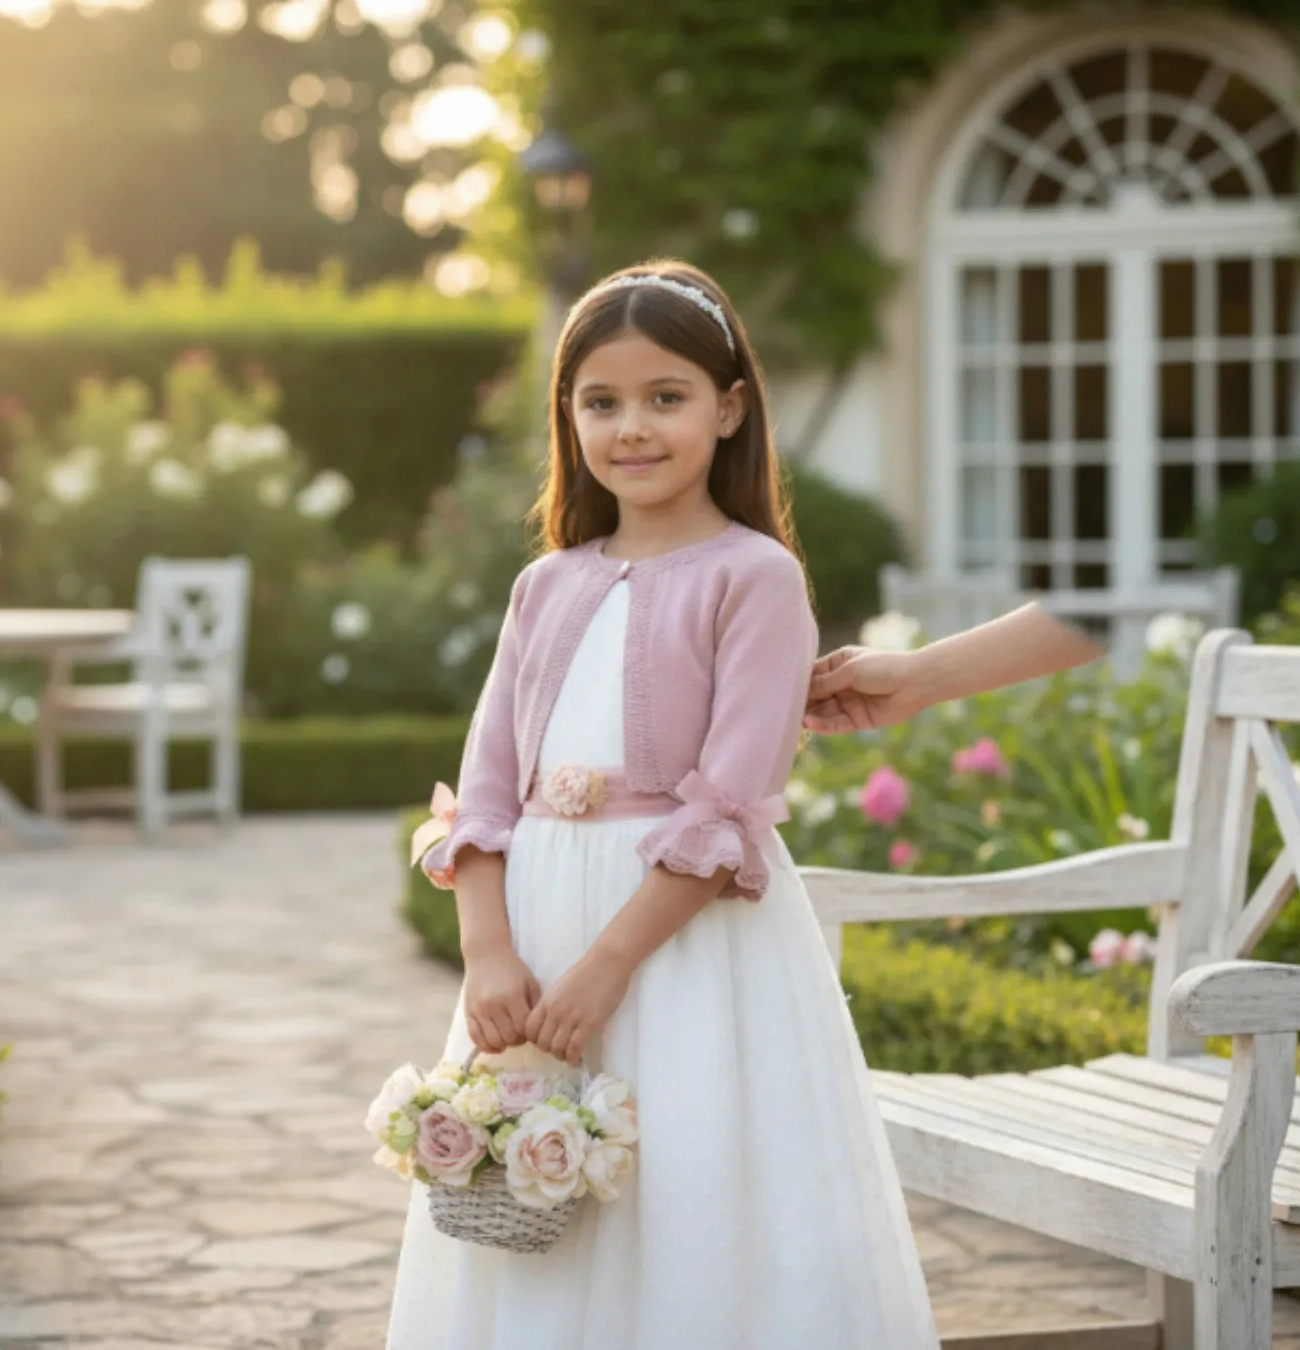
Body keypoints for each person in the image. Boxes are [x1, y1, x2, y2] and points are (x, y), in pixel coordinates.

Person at [385, 260, 1100, 1350]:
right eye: (601, 401)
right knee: (543, 1209)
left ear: (728, 409)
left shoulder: (756, 579)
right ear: (567, 415)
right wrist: (488, 951)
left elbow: (728, 808)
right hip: (536, 934)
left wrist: (609, 965)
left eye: (666, 398)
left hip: (682, 951)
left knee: (691, 1185)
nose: (632, 427)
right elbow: (484, 790)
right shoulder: (545, 586)